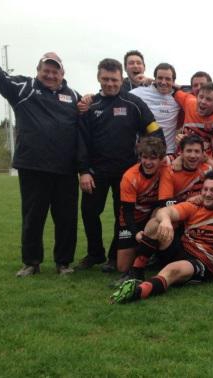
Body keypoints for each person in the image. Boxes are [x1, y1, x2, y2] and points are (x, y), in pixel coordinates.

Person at [0, 21, 80, 276]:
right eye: (46, 70)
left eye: (56, 71)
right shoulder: (23, 88)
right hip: (33, 166)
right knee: (33, 217)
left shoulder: (73, 96)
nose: (51, 75)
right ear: (38, 70)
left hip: (65, 169)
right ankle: (31, 262)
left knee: (66, 219)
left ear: (63, 73)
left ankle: (63, 263)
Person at [76, 58, 164, 272]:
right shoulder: (89, 106)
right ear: (99, 78)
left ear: (120, 78)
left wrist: (160, 155)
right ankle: (95, 253)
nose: (110, 84)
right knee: (89, 213)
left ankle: (114, 257)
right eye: (105, 79)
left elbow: (154, 130)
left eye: (114, 79)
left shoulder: (134, 103)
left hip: (126, 174)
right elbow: (81, 141)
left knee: (122, 216)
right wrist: (84, 171)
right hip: (95, 173)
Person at [110, 171, 213, 304]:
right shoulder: (196, 204)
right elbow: (164, 211)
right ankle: (137, 272)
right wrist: (166, 221)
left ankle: (136, 292)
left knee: (172, 270)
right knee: (155, 223)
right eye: (205, 189)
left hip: (203, 261)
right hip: (181, 249)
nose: (207, 194)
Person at [115, 137, 173, 283]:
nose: (148, 162)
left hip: (150, 215)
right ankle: (148, 252)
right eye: (144, 157)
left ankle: (149, 255)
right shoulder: (129, 176)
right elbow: (127, 211)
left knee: (159, 214)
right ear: (140, 157)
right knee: (122, 267)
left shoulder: (165, 169)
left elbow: (164, 203)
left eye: (153, 158)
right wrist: (136, 233)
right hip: (132, 218)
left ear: (161, 159)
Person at [130, 63, 181, 155]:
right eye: (160, 78)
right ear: (155, 79)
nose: (163, 82)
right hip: (146, 153)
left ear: (173, 81)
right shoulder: (139, 93)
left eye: (168, 79)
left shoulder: (178, 98)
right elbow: (120, 97)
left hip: (168, 153)